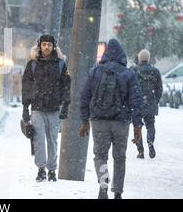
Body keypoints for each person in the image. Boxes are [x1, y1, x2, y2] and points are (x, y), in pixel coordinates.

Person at [79, 39, 143, 199]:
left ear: (106, 54)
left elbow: (85, 96)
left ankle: (103, 183)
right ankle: (118, 192)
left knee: (100, 155)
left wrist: (84, 120)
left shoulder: (95, 72)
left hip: (99, 120)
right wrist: (137, 126)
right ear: (122, 55)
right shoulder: (128, 74)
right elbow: (136, 101)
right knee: (119, 157)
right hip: (121, 121)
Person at [21, 34, 71, 182]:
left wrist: (66, 105)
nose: (46, 47)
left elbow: (66, 86)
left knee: (53, 140)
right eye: (44, 44)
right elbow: (26, 86)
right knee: (38, 139)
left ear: (53, 46)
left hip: (54, 108)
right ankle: (41, 169)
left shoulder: (61, 64)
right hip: (37, 108)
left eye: (49, 44)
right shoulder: (32, 64)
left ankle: (52, 170)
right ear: (39, 46)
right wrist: (25, 106)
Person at [130, 49, 163, 159]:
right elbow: (159, 89)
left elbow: (129, 87)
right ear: (148, 59)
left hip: (137, 103)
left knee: (137, 126)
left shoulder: (133, 70)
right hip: (150, 102)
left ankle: (140, 151)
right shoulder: (155, 71)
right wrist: (155, 100)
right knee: (150, 125)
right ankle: (150, 141)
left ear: (139, 58)